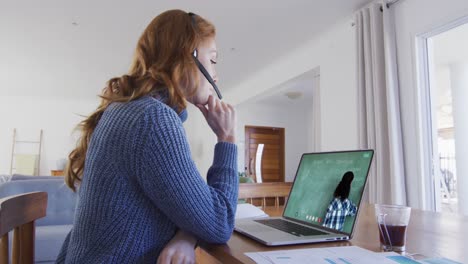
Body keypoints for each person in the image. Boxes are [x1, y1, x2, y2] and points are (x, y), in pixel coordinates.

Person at [56, 9, 238, 264]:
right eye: (213, 60)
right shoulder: (153, 121)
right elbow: (220, 223)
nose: (216, 75)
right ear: (188, 56)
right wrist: (227, 138)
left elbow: (186, 206)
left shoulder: (130, 110)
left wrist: (186, 235)